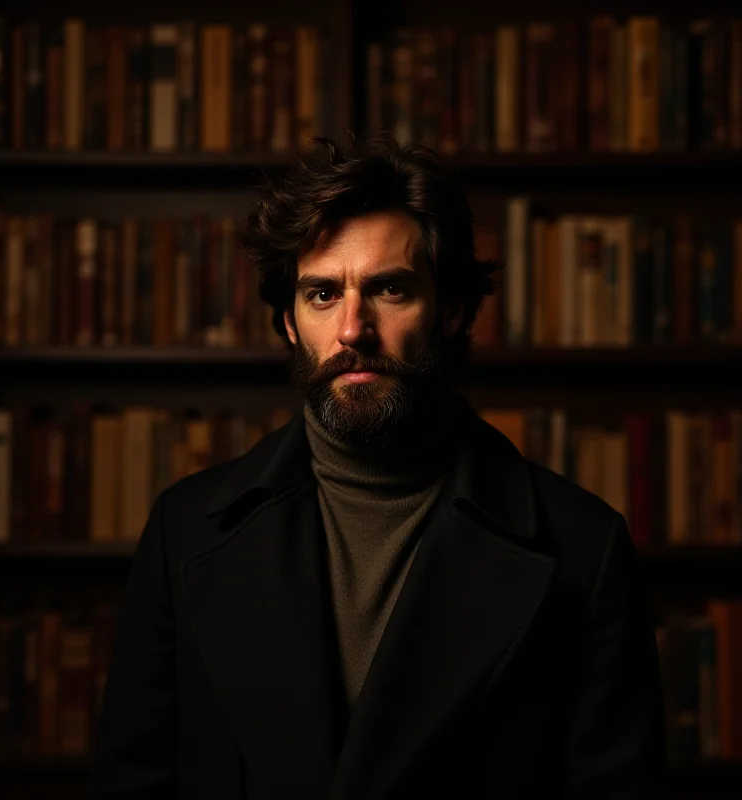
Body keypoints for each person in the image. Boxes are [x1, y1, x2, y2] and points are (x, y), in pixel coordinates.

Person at [92, 135, 667, 799]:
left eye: (389, 290)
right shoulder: (184, 531)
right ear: (287, 323)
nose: (353, 329)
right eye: (322, 295)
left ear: (450, 310)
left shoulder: (582, 550)